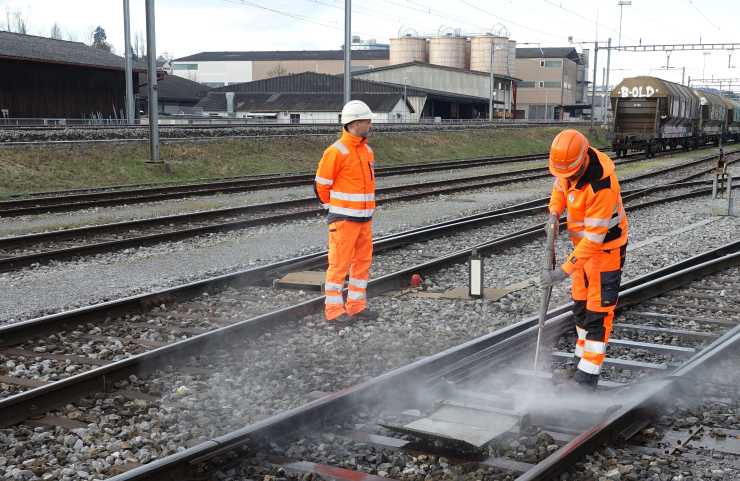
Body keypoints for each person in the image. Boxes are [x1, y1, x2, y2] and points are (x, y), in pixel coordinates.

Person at [539, 130, 629, 391]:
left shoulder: (603, 187)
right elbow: (559, 189)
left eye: (570, 174)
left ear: (582, 162)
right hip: (582, 253)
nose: (566, 179)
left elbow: (594, 240)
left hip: (605, 253)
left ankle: (587, 378)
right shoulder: (569, 169)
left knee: (597, 316)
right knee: (580, 308)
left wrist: (561, 272)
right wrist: (555, 213)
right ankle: (580, 363)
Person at [314, 100, 381, 327]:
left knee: (362, 264)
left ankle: (356, 306)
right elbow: (321, 186)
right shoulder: (336, 151)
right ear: (355, 124)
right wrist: (333, 209)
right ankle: (334, 311)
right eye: (367, 121)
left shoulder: (367, 150)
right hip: (343, 221)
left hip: (364, 220)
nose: (371, 125)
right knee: (339, 266)